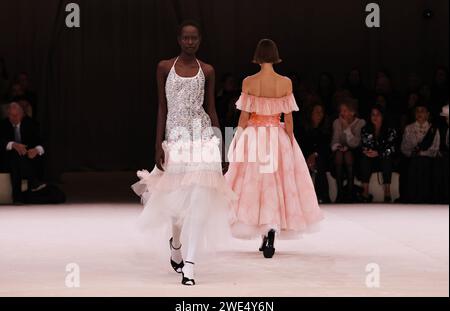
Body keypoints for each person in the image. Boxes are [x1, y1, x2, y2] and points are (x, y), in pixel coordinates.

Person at [131, 20, 236, 286]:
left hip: (202, 136)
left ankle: (190, 263)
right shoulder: (164, 67)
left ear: (200, 40)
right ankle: (176, 244)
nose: (190, 42)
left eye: (194, 39)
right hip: (175, 139)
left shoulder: (208, 70)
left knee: (200, 196)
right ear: (179, 39)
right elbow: (161, 108)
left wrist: (222, 146)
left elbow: (212, 109)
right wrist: (158, 145)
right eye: (186, 38)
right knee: (177, 204)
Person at [225, 39, 323, 259]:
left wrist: (236, 139)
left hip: (254, 136)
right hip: (276, 136)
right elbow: (288, 120)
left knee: (255, 184)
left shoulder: (249, 81)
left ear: (257, 56)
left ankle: (263, 230)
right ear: (276, 55)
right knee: (277, 183)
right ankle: (270, 233)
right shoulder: (285, 82)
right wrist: (289, 142)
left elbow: (243, 117)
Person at [0, 102, 46, 204]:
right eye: (11, 115)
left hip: (28, 157)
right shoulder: (2, 125)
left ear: (22, 114)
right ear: (8, 115)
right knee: (15, 155)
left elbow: (41, 142)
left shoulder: (32, 124)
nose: (14, 118)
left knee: (18, 159)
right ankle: (34, 181)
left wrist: (36, 150)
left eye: (17, 115)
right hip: (7, 159)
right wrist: (13, 145)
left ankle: (18, 197)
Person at [359, 104, 397, 203]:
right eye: (373, 115)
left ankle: (387, 193)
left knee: (387, 157)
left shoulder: (390, 130)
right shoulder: (365, 129)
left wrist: (379, 153)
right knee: (364, 158)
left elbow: (392, 148)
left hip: (384, 158)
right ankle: (365, 193)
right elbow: (364, 145)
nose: (375, 117)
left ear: (383, 116)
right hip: (371, 159)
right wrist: (368, 151)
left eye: (378, 115)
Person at [331, 98, 366, 203]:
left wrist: (347, 128)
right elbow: (334, 141)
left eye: (345, 110)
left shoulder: (360, 123)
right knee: (339, 154)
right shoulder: (337, 122)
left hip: (356, 153)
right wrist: (339, 146)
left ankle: (350, 193)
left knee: (348, 154)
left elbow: (356, 143)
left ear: (352, 112)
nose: (342, 113)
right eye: (341, 110)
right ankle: (340, 193)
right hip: (340, 154)